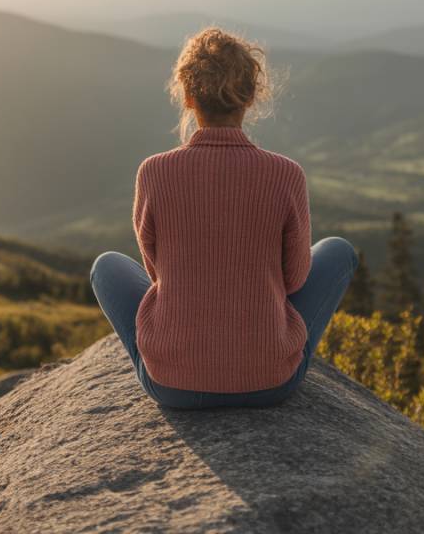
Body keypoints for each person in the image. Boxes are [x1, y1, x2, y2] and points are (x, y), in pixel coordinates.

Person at [90, 27, 357, 409]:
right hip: (269, 383)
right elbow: (295, 279)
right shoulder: (285, 174)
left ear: (187, 97)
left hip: (172, 387)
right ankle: (264, 355)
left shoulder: (154, 172)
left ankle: (174, 361)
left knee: (106, 266)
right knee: (338, 251)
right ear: (251, 97)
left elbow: (157, 273)